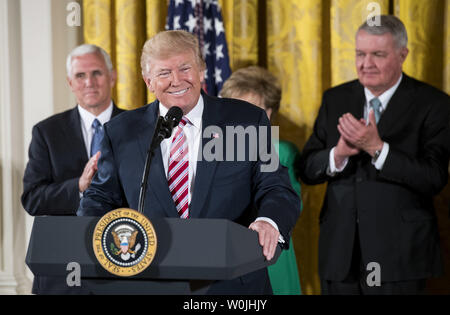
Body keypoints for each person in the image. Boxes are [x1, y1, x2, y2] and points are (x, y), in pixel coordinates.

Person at [77, 30, 301, 294]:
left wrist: (269, 221)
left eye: (185, 68)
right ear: (148, 81)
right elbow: (100, 198)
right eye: (164, 73)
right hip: (150, 282)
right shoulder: (121, 131)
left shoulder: (246, 120)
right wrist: (91, 237)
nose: (176, 80)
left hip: (233, 285)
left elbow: (275, 186)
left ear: (202, 70)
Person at [299, 15, 450, 295]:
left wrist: (377, 149)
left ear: (403, 54)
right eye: (360, 54)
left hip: (399, 260)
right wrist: (338, 154)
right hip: (340, 257)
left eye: (378, 54)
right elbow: (307, 168)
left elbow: (434, 177)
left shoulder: (434, 104)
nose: (366, 64)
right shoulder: (336, 99)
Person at [21, 44, 125, 294]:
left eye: (97, 73)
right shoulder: (46, 132)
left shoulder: (138, 127)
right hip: (62, 270)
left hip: (122, 262)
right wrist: (78, 187)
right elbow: (32, 199)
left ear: (113, 76)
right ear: (70, 82)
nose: (89, 82)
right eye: (80, 75)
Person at [220, 66, 302, 295]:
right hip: (228, 258)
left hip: (269, 256)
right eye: (235, 107)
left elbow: (290, 205)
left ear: (268, 112)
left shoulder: (280, 150)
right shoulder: (213, 150)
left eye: (251, 109)